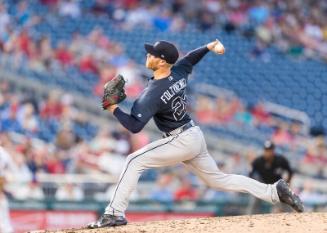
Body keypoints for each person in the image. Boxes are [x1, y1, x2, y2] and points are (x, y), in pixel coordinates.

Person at [88, 40, 304, 228]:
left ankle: (114, 213)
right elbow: (191, 58)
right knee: (219, 180)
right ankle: (274, 191)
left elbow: (135, 127)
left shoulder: (152, 94)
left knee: (133, 160)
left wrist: (113, 109)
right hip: (193, 135)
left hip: (180, 139)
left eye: (153, 53)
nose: (148, 54)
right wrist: (209, 46)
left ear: (162, 61)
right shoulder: (179, 71)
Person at [247, 140, 294, 214]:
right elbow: (250, 173)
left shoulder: (280, 160)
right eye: (266, 150)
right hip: (263, 184)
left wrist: (288, 182)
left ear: (273, 151)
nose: (267, 152)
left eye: (269, 150)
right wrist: (254, 185)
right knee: (255, 199)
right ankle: (250, 217)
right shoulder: (259, 161)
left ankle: (293, 216)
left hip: (276, 184)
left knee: (285, 199)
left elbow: (290, 171)